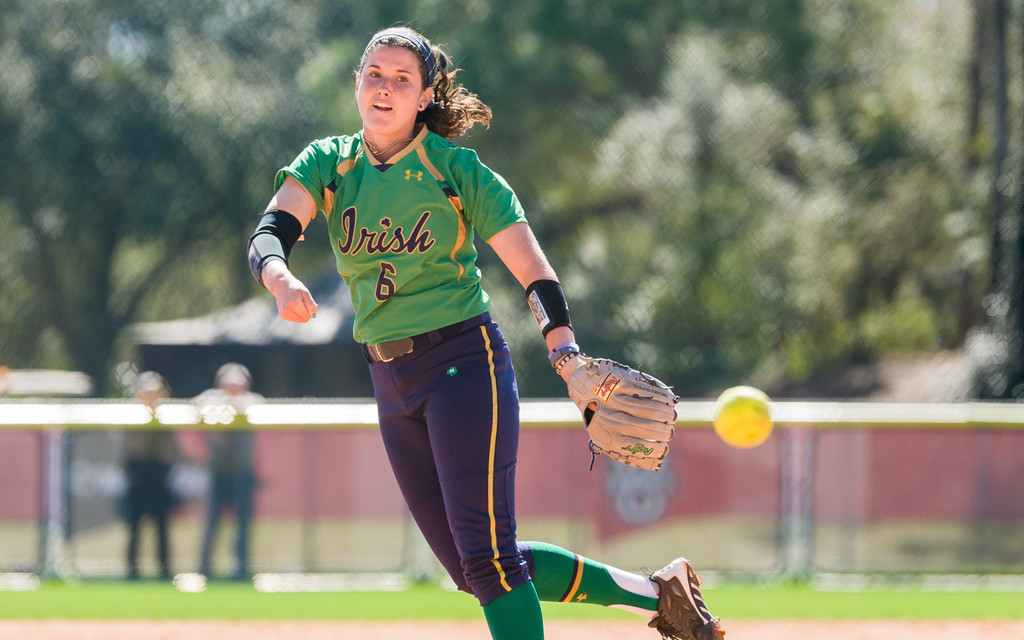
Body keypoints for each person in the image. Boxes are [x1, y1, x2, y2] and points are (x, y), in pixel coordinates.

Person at [246, 26, 724, 640]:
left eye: (402, 80)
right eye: (373, 75)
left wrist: (568, 357)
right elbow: (270, 233)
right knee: (475, 568)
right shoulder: (328, 164)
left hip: (463, 368)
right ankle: (657, 595)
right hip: (390, 382)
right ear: (356, 83)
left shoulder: (455, 169)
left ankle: (658, 597)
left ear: (425, 97)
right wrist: (280, 279)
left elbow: (533, 271)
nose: (384, 89)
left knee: (490, 562)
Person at [192, 363, 263, 580]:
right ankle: (204, 569)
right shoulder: (211, 398)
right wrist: (220, 406)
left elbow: (255, 408)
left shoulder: (252, 400)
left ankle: (241, 568)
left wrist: (233, 404)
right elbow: (196, 405)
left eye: (237, 384)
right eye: (228, 384)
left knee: (242, 525)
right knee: (212, 522)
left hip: (243, 472)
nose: (232, 389)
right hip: (218, 471)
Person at [123, 371, 179, 580]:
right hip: (138, 477)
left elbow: (171, 451)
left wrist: (165, 474)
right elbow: (128, 451)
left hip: (159, 477)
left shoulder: (167, 416)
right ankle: (131, 570)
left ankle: (164, 569)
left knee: (162, 528)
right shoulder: (132, 415)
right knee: (135, 528)